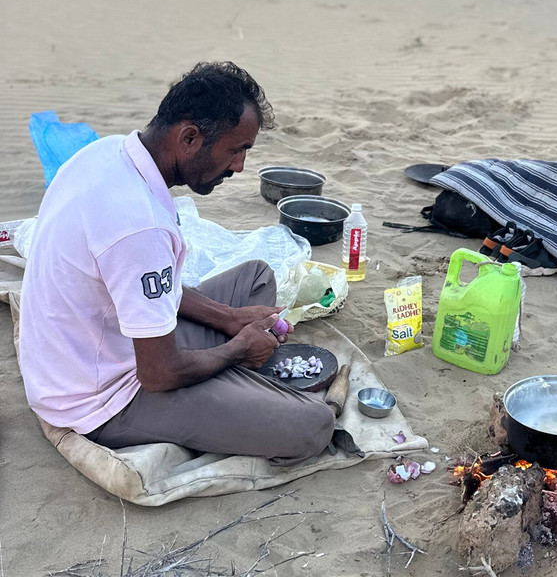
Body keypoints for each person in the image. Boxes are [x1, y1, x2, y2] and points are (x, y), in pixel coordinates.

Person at [19, 61, 335, 465]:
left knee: (255, 277)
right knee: (312, 426)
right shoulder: (138, 226)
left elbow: (142, 282)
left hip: (105, 344)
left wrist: (227, 319)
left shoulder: (107, 152)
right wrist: (238, 350)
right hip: (104, 395)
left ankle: (225, 375)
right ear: (189, 137)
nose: (239, 167)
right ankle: (229, 382)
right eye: (236, 150)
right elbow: (158, 374)